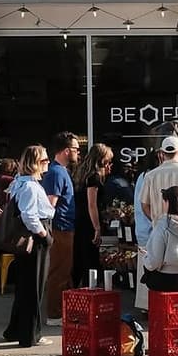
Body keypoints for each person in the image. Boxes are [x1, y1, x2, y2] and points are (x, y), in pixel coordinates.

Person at [3, 145, 55, 347]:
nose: (47, 163)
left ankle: (16, 330)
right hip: (35, 236)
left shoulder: (20, 183)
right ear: (34, 163)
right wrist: (44, 234)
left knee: (25, 287)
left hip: (29, 237)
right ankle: (30, 334)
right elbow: (29, 215)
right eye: (44, 161)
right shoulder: (30, 186)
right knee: (34, 288)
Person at [41, 131, 79, 326]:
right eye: (75, 149)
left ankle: (61, 310)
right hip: (60, 228)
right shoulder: (56, 172)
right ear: (66, 151)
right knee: (59, 271)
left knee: (64, 271)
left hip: (66, 227)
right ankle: (55, 314)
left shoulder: (60, 171)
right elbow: (50, 205)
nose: (78, 153)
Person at [72, 143, 113, 288]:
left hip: (79, 219)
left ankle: (79, 289)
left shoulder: (81, 174)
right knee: (89, 259)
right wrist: (97, 227)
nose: (109, 164)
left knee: (80, 258)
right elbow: (92, 204)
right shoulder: (94, 178)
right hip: (88, 222)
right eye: (108, 160)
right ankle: (89, 288)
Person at [134, 149, 162, 311]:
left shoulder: (142, 176)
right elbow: (148, 205)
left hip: (142, 229)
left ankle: (145, 305)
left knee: (144, 267)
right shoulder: (152, 178)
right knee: (153, 266)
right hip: (150, 228)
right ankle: (150, 305)